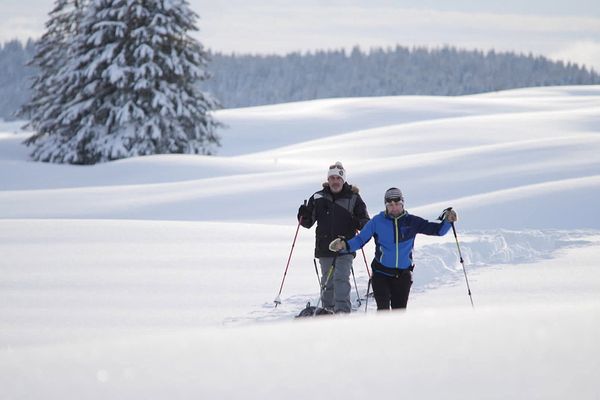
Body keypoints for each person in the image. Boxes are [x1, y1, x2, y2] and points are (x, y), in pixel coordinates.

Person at [328, 187, 457, 311]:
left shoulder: (412, 222)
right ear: (386, 205)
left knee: (398, 314)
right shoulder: (377, 221)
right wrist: (344, 245)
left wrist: (447, 221)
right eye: (390, 204)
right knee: (383, 311)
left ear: (403, 204)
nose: (394, 207)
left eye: (397, 203)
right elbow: (361, 239)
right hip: (381, 274)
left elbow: (437, 230)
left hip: (403, 275)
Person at [297, 162, 370, 313]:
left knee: (341, 278)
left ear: (343, 180)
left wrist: (357, 222)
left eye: (338, 178)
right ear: (328, 180)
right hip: (324, 246)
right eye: (332, 178)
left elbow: (365, 222)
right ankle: (328, 311)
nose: (335, 181)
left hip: (345, 246)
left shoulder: (353, 197)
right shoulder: (318, 197)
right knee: (327, 281)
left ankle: (342, 311)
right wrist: (303, 215)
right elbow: (307, 222)